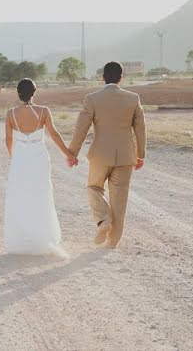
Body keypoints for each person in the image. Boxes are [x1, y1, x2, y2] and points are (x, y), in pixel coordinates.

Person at [67, 61, 146, 249]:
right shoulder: (133, 98)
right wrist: (140, 154)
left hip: (100, 156)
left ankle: (103, 221)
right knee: (119, 200)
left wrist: (72, 152)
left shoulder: (92, 98)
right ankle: (113, 242)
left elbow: (81, 128)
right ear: (121, 78)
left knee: (94, 188)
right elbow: (140, 129)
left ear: (103, 77)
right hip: (126, 156)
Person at [3, 78, 77, 256]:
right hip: (39, 159)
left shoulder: (10, 114)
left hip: (20, 160)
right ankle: (43, 237)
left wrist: (15, 158)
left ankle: (23, 237)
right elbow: (54, 134)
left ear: (18, 93)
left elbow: (8, 140)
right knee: (41, 194)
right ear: (34, 92)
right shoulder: (43, 111)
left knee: (21, 195)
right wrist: (69, 154)